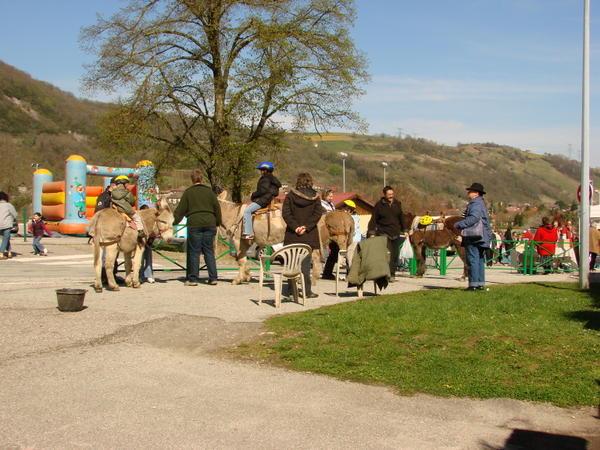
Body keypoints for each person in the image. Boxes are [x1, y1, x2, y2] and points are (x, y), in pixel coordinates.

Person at [174, 169, 222, 286]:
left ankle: (193, 279)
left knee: (194, 252)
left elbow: (180, 211)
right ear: (202, 179)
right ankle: (213, 278)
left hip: (194, 224)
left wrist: (175, 222)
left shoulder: (188, 192)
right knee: (209, 251)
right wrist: (217, 223)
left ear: (192, 179)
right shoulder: (210, 192)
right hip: (210, 223)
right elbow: (217, 209)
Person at [282, 172, 325, 298]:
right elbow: (317, 214)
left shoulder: (290, 195)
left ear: (298, 181)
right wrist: (306, 227)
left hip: (292, 235)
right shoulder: (316, 197)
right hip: (309, 236)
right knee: (305, 265)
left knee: (291, 263)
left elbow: (286, 213)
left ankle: (291, 290)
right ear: (310, 182)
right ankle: (307, 291)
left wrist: (296, 227)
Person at [454, 183, 492, 291]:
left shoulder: (475, 204)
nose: (468, 193)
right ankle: (480, 283)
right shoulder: (481, 203)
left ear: (476, 193)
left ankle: (473, 285)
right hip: (482, 236)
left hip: (474, 235)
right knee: (479, 259)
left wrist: (459, 224)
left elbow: (473, 218)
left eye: (470, 191)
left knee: (472, 259)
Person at [367, 185, 405, 281]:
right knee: (388, 254)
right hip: (383, 233)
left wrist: (406, 230)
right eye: (389, 194)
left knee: (395, 255)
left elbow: (401, 218)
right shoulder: (379, 205)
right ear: (384, 195)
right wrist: (371, 232)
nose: (391, 196)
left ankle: (392, 274)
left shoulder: (397, 203)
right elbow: (373, 219)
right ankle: (386, 275)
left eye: (392, 194)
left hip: (395, 233)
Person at [242, 162, 282, 240]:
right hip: (268, 199)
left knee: (247, 211)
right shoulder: (273, 179)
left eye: (262, 170)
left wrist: (253, 194)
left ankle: (248, 233)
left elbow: (263, 190)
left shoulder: (265, 178)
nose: (261, 172)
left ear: (265, 170)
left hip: (263, 200)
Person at [321, 189, 338, 280]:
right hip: (324, 229)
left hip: (332, 230)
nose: (331, 198)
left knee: (335, 250)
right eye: (329, 196)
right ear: (325, 196)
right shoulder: (321, 204)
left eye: (332, 196)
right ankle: (326, 272)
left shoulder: (332, 205)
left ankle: (327, 272)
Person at [139, 205, 155, 283]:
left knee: (148, 258)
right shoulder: (139, 220)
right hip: (140, 242)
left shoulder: (152, 222)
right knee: (140, 259)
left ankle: (149, 275)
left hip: (148, 242)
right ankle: (140, 275)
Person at [0, 191, 17, 260]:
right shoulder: (8, 205)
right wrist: (13, 219)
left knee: (6, 239)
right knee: (5, 239)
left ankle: (9, 252)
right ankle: (1, 254)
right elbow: (15, 214)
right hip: (6, 225)